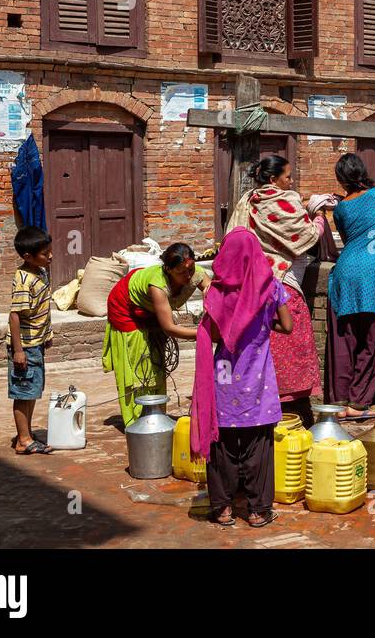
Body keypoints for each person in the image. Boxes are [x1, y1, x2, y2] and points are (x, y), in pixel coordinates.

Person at [190, 228, 292, 528]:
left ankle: (222, 509)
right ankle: (258, 510)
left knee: (222, 446)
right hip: (257, 379)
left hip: (223, 380)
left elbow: (213, 333)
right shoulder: (271, 288)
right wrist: (262, 322)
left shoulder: (216, 292)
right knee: (258, 445)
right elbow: (287, 326)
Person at [226, 156, 331, 406]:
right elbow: (306, 234)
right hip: (282, 283)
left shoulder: (248, 201)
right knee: (289, 340)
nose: (291, 181)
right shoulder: (285, 199)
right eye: (288, 176)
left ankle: (260, 393)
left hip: (253, 285)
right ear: (273, 179)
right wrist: (318, 217)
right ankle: (288, 401)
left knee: (261, 343)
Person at [102, 242, 204, 428]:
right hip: (125, 310)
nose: (188, 276)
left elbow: (210, 287)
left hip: (148, 312)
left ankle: (157, 415)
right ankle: (137, 422)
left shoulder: (193, 272)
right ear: (168, 269)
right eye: (181, 272)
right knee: (139, 365)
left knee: (156, 362)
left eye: (191, 269)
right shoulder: (157, 286)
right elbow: (169, 328)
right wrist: (204, 334)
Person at [327, 153, 375, 417]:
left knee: (345, 338)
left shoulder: (341, 208)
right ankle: (358, 402)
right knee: (374, 338)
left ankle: (341, 400)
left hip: (346, 271)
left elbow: (346, 236)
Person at [9, 226, 54, 455]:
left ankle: (25, 432)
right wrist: (18, 350)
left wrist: (47, 335)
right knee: (22, 391)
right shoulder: (24, 280)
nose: (50, 257)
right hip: (25, 347)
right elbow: (15, 315)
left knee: (33, 390)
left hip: (36, 343)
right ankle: (23, 440)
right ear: (28, 256)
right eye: (45, 254)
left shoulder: (41, 273)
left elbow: (43, 309)